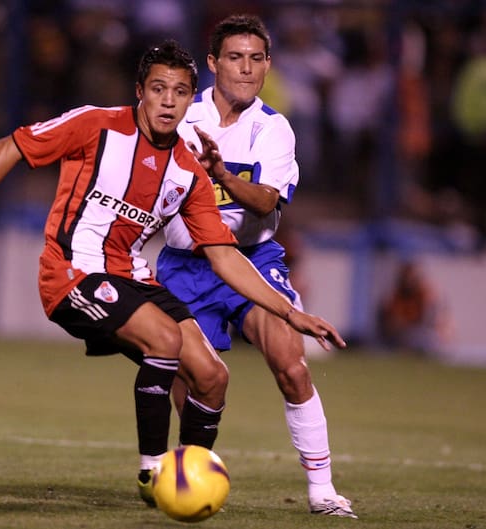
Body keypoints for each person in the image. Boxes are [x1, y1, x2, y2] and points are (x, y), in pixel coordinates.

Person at [0, 40, 346, 505]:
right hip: (72, 271)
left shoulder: (188, 170)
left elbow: (226, 257)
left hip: (131, 275)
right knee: (165, 341)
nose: (169, 101)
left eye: (180, 92)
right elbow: (12, 146)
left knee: (212, 376)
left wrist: (291, 314)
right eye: (159, 89)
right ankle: (153, 473)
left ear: (192, 100)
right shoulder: (97, 125)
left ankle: (187, 480)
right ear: (140, 92)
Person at [156, 15, 357, 518]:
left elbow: (266, 202)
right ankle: (190, 476)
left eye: (255, 58)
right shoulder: (179, 115)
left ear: (267, 65)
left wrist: (220, 173)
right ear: (212, 63)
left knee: (290, 362)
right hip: (185, 263)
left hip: (252, 258)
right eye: (234, 57)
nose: (246, 69)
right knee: (197, 382)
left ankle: (323, 492)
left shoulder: (274, 128)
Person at [377, 260, 452, 355]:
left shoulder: (425, 292)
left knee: (426, 337)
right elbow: (392, 322)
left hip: (423, 332)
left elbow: (431, 319)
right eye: (406, 277)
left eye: (411, 277)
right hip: (404, 334)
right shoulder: (396, 295)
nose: (409, 280)